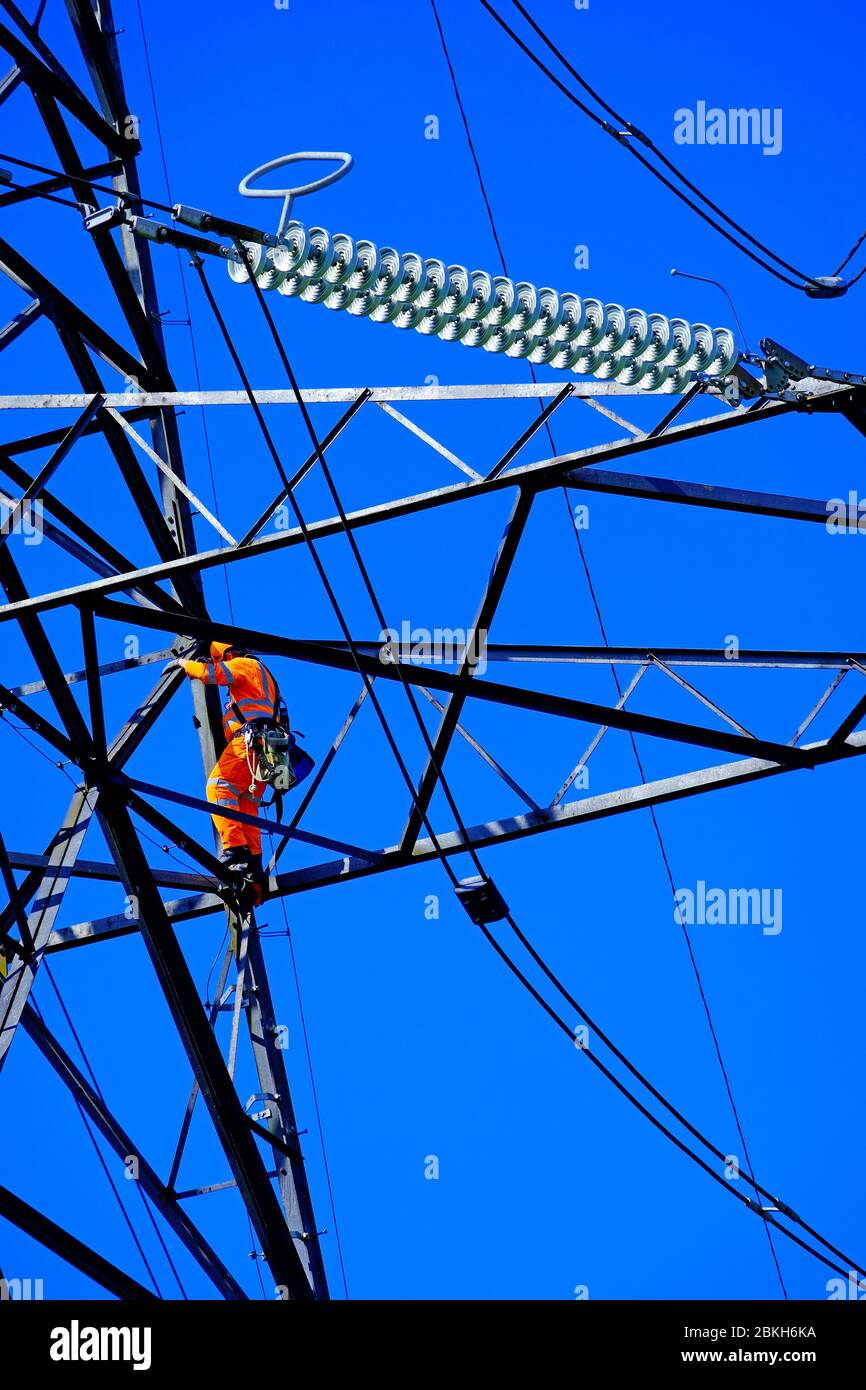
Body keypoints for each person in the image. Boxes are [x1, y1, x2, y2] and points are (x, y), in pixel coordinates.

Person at [170, 640, 283, 898]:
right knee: (246, 803)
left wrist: (184, 663)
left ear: (228, 653)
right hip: (269, 751)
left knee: (219, 787)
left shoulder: (241, 664)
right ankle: (254, 873)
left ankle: (236, 852)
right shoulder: (265, 675)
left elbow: (212, 675)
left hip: (251, 743)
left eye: (221, 658)